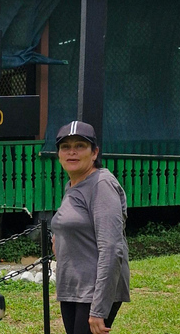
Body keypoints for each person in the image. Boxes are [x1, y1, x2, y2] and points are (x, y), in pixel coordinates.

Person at [51, 121, 130, 334]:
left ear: (94, 153)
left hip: (94, 291)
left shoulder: (101, 185)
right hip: (73, 289)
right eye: (65, 147)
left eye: (80, 146)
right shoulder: (73, 184)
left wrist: (99, 308)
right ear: (58, 154)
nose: (72, 152)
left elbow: (112, 249)